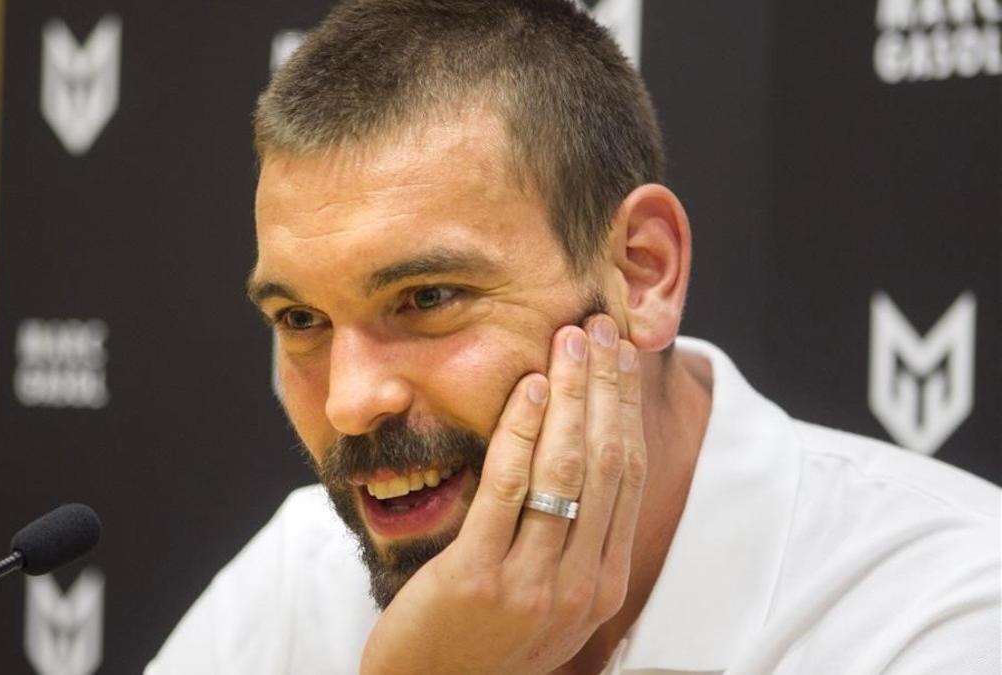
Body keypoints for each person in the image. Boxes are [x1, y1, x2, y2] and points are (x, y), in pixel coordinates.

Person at [146, 1, 1001, 672]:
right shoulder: (304, 568)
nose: (350, 400)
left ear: (642, 273)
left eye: (428, 296)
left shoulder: (950, 604)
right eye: (301, 320)